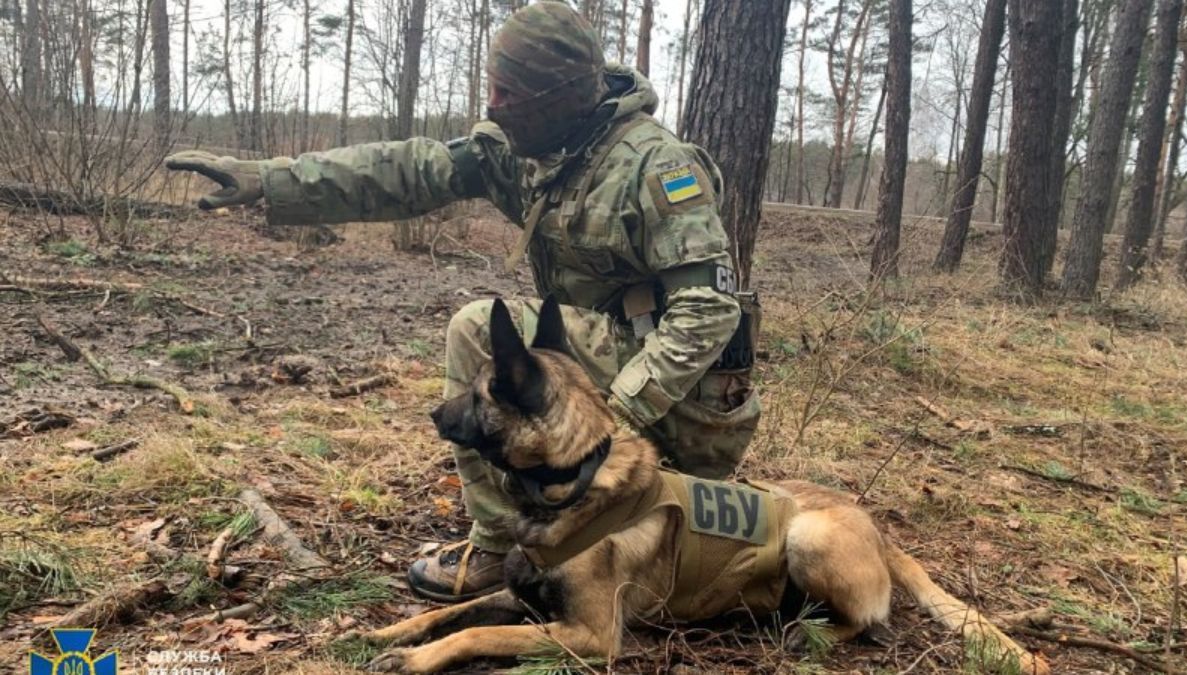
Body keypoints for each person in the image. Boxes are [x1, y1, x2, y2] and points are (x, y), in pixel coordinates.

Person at [166, 1, 760, 603]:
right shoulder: (529, 149)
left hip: (688, 412)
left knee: (478, 329)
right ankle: (534, 531)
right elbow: (405, 171)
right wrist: (269, 180)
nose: (493, 106)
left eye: (510, 95)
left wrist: (616, 414)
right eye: (492, 87)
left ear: (560, 98)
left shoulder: (655, 166)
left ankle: (502, 548)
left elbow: (708, 309)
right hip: (603, 387)